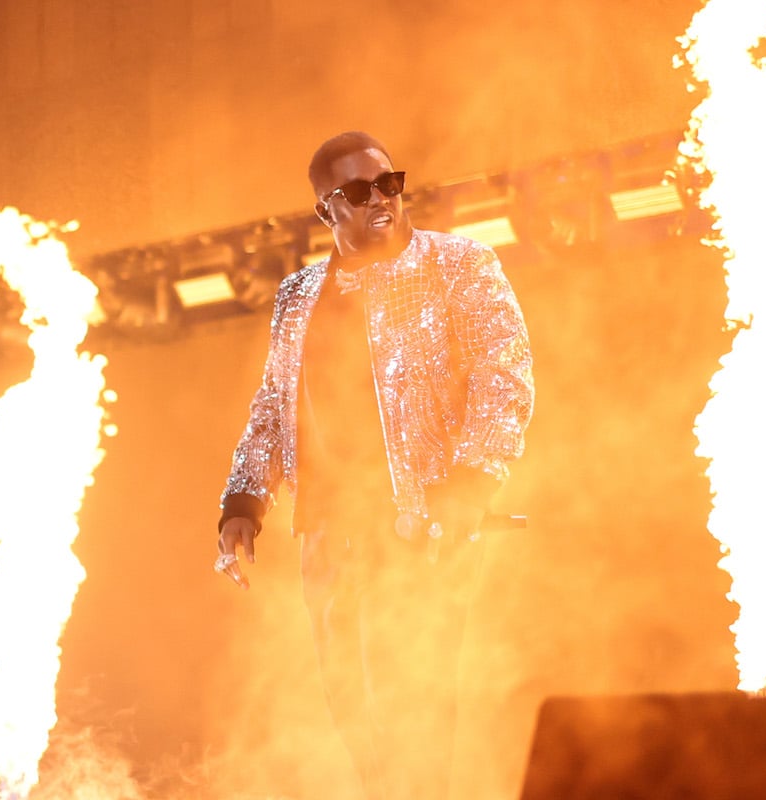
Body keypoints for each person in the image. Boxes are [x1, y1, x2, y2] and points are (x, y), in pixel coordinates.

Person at [214, 130, 534, 800]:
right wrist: (243, 502)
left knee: (412, 702)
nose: (382, 199)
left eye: (389, 183)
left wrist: (471, 483)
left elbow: (501, 375)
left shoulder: (458, 263)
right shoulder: (298, 295)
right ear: (326, 210)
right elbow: (275, 404)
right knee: (351, 709)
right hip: (329, 534)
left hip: (421, 526)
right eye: (359, 192)